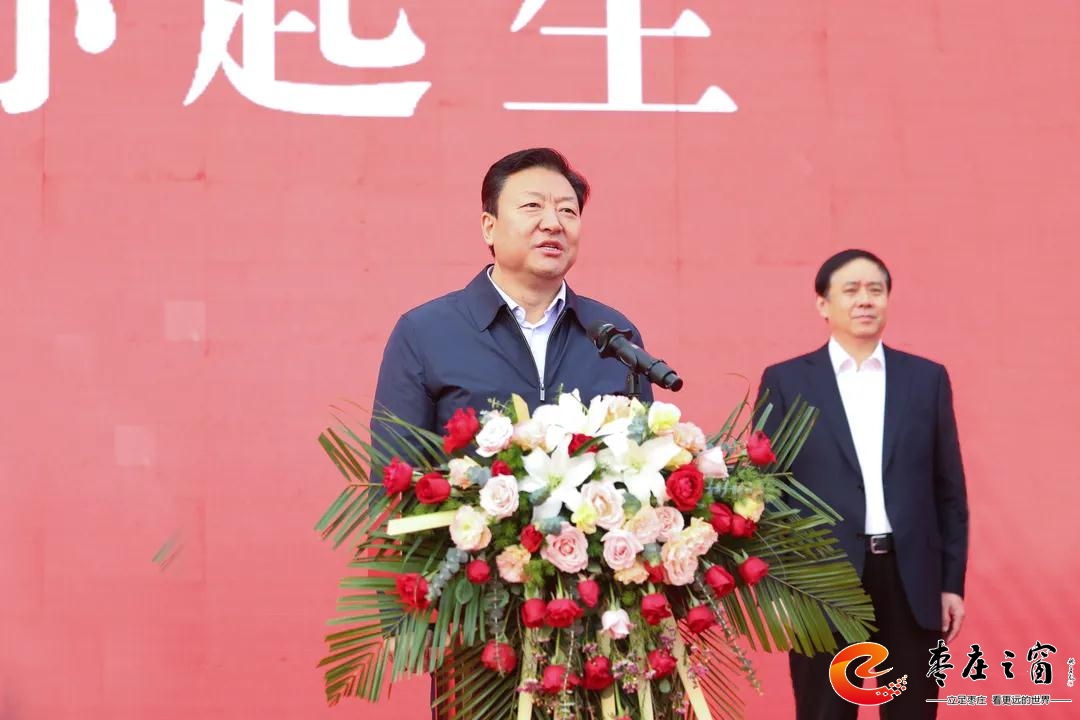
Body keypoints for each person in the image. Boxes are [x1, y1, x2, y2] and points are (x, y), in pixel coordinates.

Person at [370, 147, 654, 718]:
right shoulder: (427, 331)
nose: (554, 222)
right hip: (481, 614)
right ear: (488, 227)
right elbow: (395, 476)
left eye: (568, 210)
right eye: (532, 207)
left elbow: (644, 469)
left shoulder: (612, 334)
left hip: (600, 615)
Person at [757, 249, 969, 720]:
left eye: (876, 289)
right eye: (850, 290)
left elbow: (949, 490)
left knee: (912, 711)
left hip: (909, 577)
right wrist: (783, 584)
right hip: (823, 579)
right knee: (825, 711)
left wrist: (950, 583)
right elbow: (769, 491)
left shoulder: (926, 379)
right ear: (823, 304)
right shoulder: (787, 381)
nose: (865, 300)